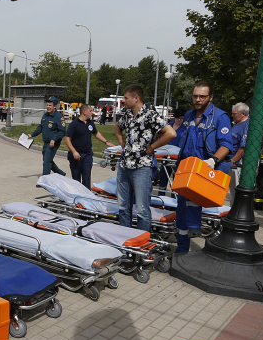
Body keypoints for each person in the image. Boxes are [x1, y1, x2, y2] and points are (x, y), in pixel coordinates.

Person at [175, 81, 233, 252]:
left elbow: (226, 145)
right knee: (181, 210)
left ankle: (194, 228)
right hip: (187, 168)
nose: (198, 99)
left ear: (210, 97)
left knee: (192, 199)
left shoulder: (220, 117)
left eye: (202, 96)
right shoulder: (188, 116)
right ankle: (182, 249)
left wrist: (213, 160)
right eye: (195, 96)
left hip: (205, 169)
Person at [114, 85, 177, 232]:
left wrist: (152, 147)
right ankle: (125, 237)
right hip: (124, 166)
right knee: (123, 207)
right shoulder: (128, 115)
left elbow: (171, 133)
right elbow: (117, 127)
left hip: (142, 168)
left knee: (142, 209)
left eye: (126, 98)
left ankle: (142, 240)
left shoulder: (150, 115)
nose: (124, 101)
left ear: (136, 98)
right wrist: (122, 142)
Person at [64, 104, 115, 188]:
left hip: (87, 155)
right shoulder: (74, 124)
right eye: (90, 111)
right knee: (76, 179)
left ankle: (87, 194)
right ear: (84, 112)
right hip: (76, 156)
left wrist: (106, 142)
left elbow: (96, 133)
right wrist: (74, 152)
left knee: (86, 177)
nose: (92, 113)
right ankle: (77, 194)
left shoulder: (90, 123)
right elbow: (67, 139)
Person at [27, 96, 67, 176]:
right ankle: (60, 174)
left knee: (47, 161)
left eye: (50, 105)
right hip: (46, 142)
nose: (48, 107)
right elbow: (40, 127)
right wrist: (32, 134)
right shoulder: (45, 115)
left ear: (55, 106)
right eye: (47, 105)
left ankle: (45, 179)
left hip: (53, 143)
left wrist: (54, 139)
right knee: (47, 160)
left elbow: (62, 131)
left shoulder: (59, 117)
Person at [156, 107, 186, 195]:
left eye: (181, 118)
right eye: (177, 118)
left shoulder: (185, 128)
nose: (179, 120)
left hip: (176, 155)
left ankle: (174, 198)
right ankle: (160, 195)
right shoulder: (168, 126)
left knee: (176, 178)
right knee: (163, 176)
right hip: (166, 154)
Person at [228, 102, 250, 204]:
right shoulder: (237, 125)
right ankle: (232, 208)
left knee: (237, 190)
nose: (232, 115)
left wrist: (233, 160)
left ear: (243, 114)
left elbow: (243, 147)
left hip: (237, 164)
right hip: (231, 162)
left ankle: (236, 209)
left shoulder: (247, 125)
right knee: (232, 191)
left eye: (234, 113)